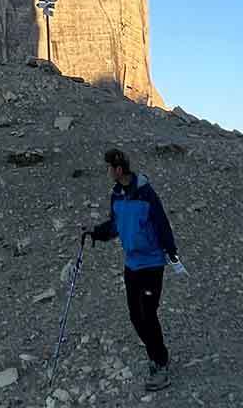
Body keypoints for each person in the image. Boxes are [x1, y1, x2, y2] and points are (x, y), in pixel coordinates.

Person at [82, 148, 179, 393]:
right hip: (132, 265)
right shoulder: (116, 195)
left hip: (152, 264)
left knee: (148, 314)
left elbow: (161, 223)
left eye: (108, 168)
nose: (107, 173)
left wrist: (172, 252)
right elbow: (115, 226)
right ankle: (156, 354)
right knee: (136, 317)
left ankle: (160, 363)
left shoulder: (146, 193)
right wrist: (95, 232)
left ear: (118, 169)